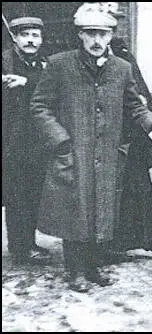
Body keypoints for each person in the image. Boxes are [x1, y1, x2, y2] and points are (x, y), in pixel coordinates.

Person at [30, 4, 152, 292]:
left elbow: (134, 105)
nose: (97, 41)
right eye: (91, 34)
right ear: (80, 35)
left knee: (102, 212)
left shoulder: (122, 69)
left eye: (103, 34)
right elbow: (39, 105)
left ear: (111, 36)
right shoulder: (60, 64)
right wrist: (59, 139)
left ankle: (93, 267)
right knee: (76, 210)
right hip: (73, 151)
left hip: (108, 154)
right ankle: (75, 271)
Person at [106, 35, 152, 262]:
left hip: (132, 134)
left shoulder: (121, 51)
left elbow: (139, 93)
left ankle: (150, 239)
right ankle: (111, 243)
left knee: (140, 189)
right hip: (106, 136)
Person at [2, 16, 51, 265]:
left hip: (38, 142)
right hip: (11, 142)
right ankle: (20, 247)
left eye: (36, 36)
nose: (31, 40)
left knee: (32, 194)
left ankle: (27, 243)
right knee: (16, 195)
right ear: (15, 38)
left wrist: (27, 82)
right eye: (25, 35)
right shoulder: (5, 61)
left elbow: (53, 90)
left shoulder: (45, 64)